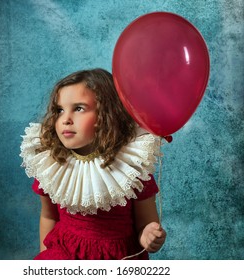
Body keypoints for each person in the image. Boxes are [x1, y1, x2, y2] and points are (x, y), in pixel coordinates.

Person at [20, 68, 166, 260]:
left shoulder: (130, 168)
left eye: (79, 108)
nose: (65, 119)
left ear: (107, 115)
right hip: (63, 254)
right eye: (59, 110)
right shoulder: (52, 164)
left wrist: (148, 236)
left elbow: (145, 223)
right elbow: (49, 216)